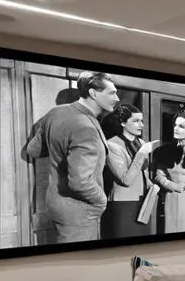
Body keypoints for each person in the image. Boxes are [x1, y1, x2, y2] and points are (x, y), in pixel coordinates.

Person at [24, 71, 118, 243]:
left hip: (56, 204)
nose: (117, 98)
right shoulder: (86, 127)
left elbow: (33, 150)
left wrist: (59, 148)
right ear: (93, 93)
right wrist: (101, 201)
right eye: (111, 93)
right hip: (80, 210)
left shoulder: (56, 112)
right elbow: (80, 182)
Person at [101, 103, 158, 238]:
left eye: (141, 121)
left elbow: (142, 173)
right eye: (136, 121)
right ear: (122, 122)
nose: (141, 125)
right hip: (124, 204)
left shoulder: (141, 143)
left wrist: (152, 185)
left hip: (144, 201)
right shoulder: (112, 145)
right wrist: (141, 153)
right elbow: (126, 180)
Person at [152, 110, 185, 233]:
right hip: (171, 198)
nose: (176, 129)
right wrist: (172, 185)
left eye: (181, 126)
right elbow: (159, 175)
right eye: (175, 125)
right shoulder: (166, 151)